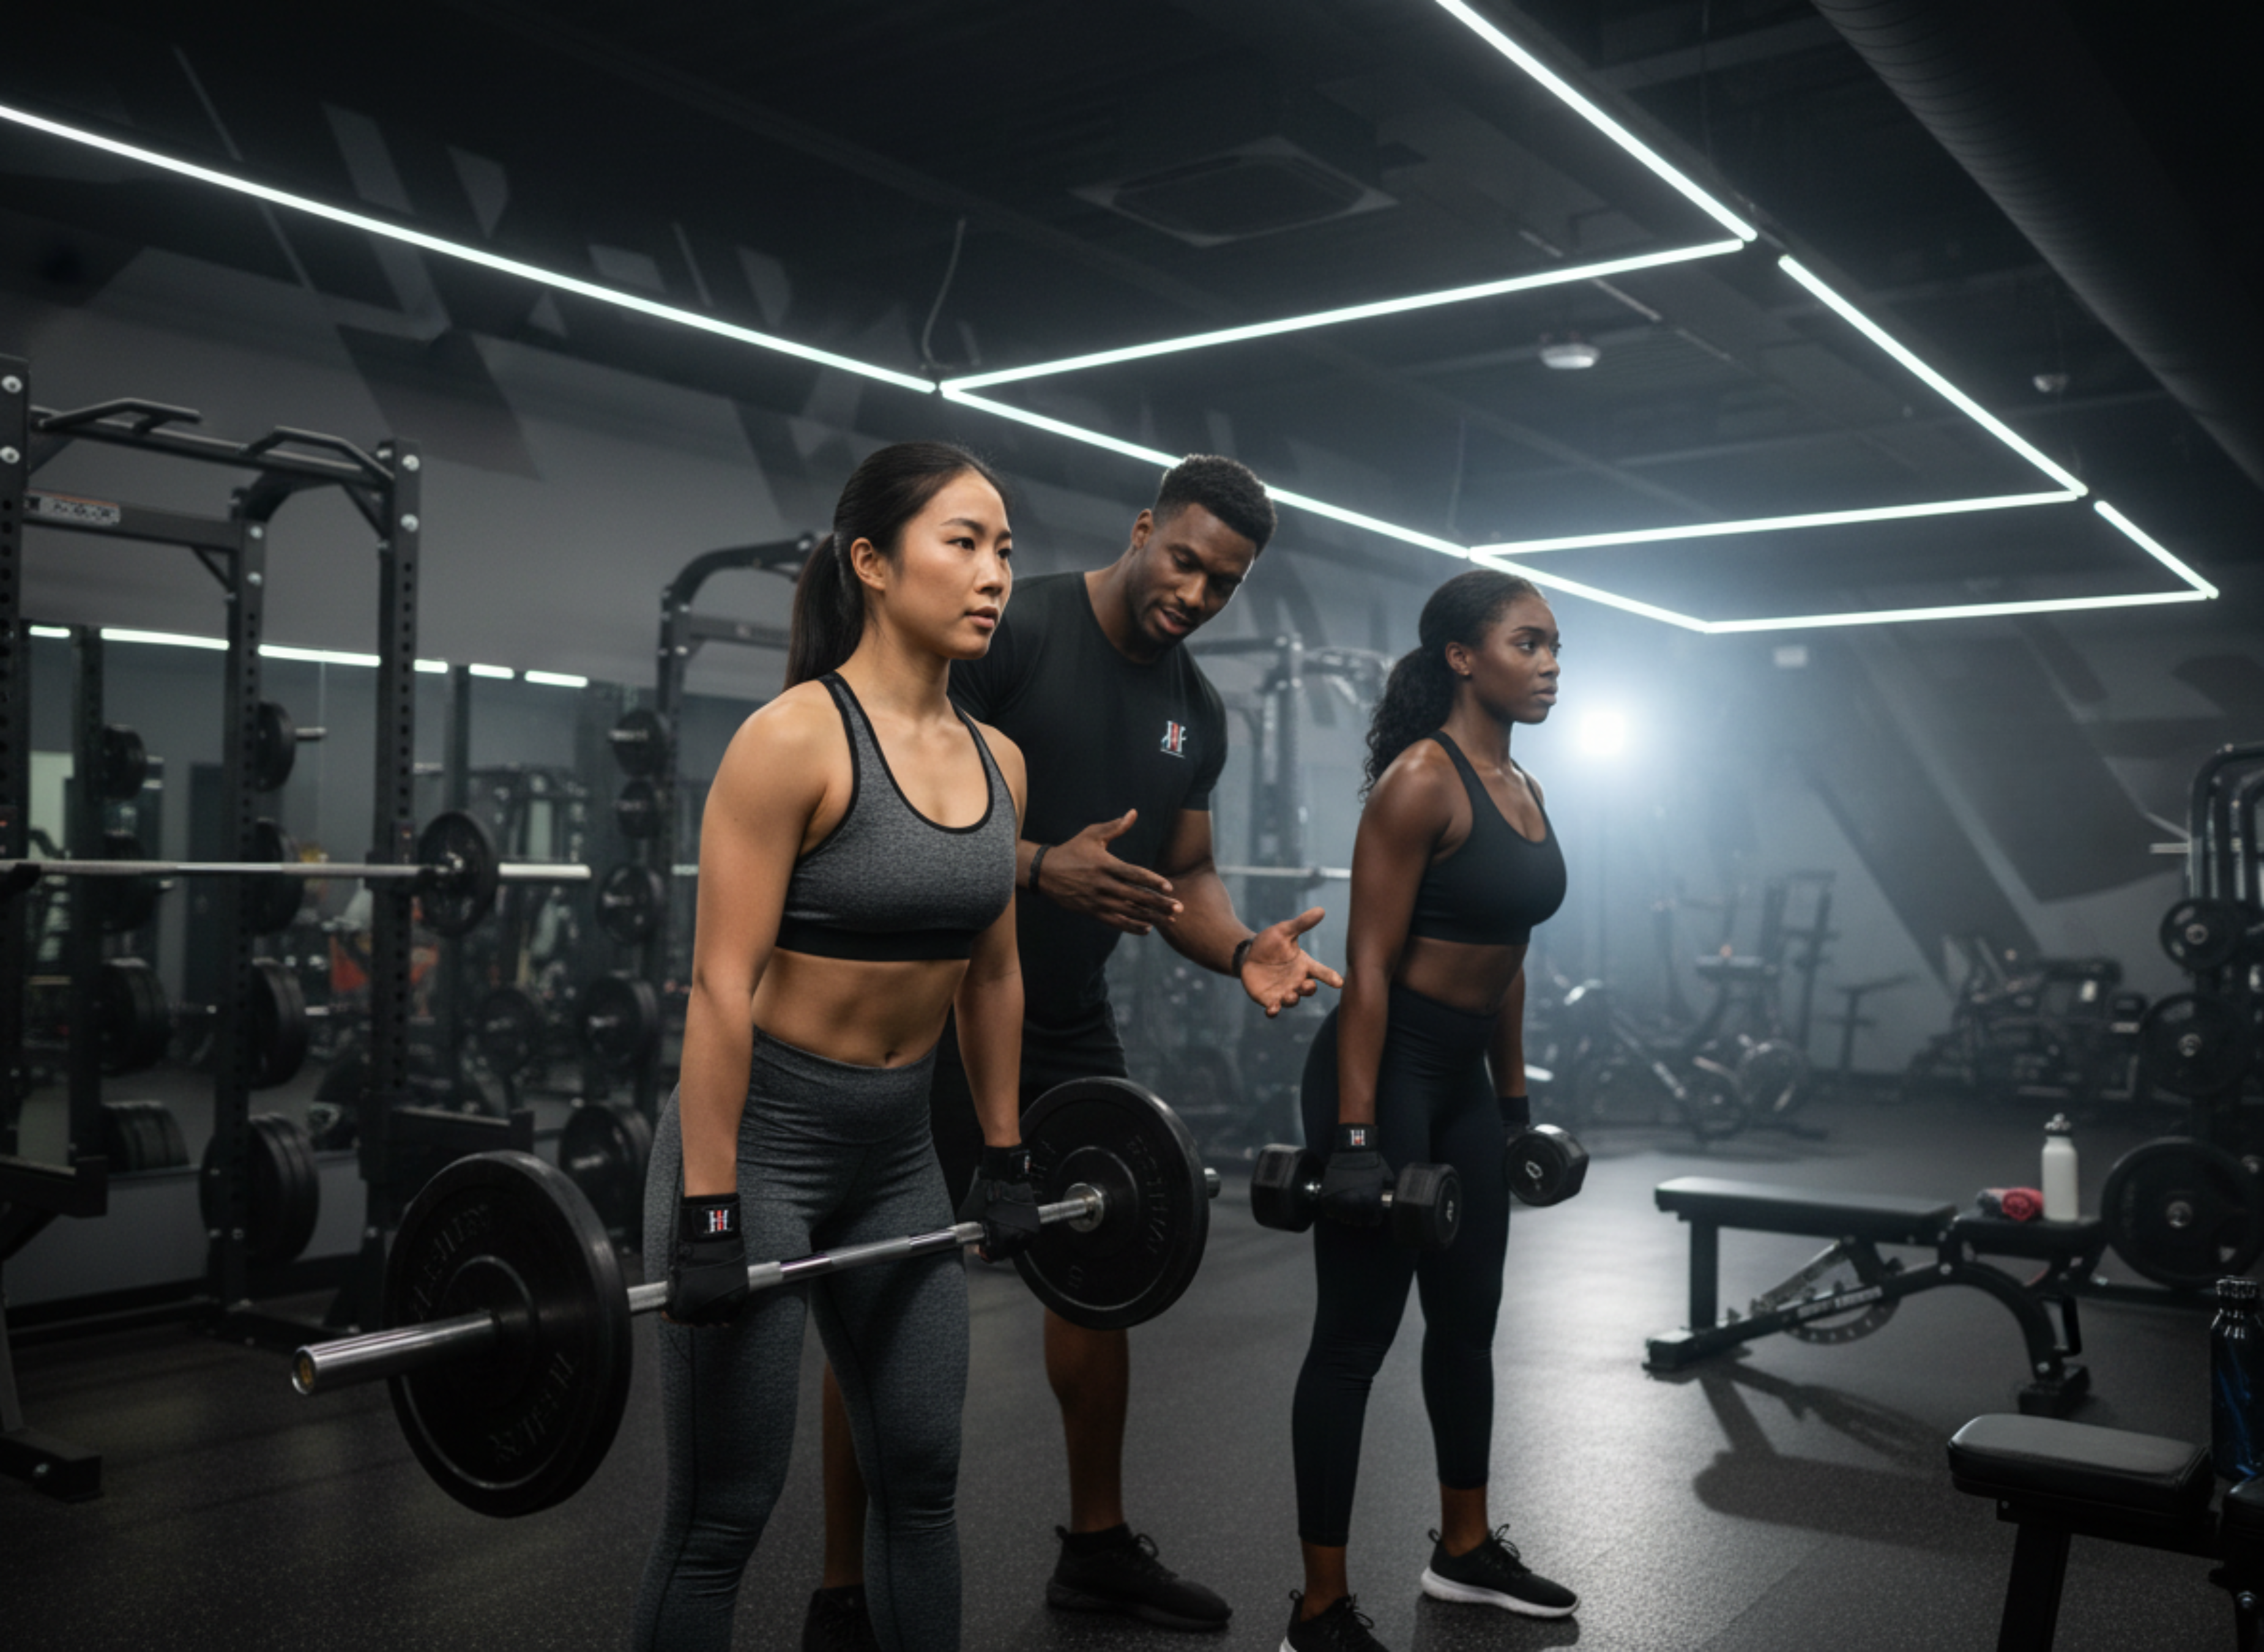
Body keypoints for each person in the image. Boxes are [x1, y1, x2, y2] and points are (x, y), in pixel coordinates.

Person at [806, 454, 1343, 1650]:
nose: (1196, 594)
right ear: (1142, 527)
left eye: (1225, 583)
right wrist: (1041, 862)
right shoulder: (1012, 631)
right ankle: (842, 1589)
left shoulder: (1194, 711)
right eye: (1185, 561)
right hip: (919, 1014)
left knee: (1097, 1274)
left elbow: (1187, 873)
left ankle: (1094, 1548)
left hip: (1062, 1018)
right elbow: (884, 811)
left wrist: (1239, 947)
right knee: (883, 1299)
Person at [632, 441, 1031, 1652]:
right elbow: (716, 984)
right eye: (961, 543)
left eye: (1004, 549)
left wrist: (1004, 1153)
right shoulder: (793, 740)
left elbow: (995, 973)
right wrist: (708, 1213)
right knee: (723, 1513)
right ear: (871, 561)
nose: (993, 575)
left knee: (922, 1479)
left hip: (897, 1156)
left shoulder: (1001, 758)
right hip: (760, 1151)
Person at [1280, 569, 1577, 1652]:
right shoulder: (1421, 781)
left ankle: (1463, 1551)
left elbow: (1512, 962)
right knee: (1354, 1341)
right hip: (1385, 1073)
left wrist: (1513, 1105)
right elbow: (1367, 965)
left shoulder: (1525, 786)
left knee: (1468, 1322)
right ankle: (1318, 1607)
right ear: (1463, 656)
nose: (1550, 665)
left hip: (1460, 1086)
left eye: (1555, 648)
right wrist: (1356, 1140)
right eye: (1529, 644)